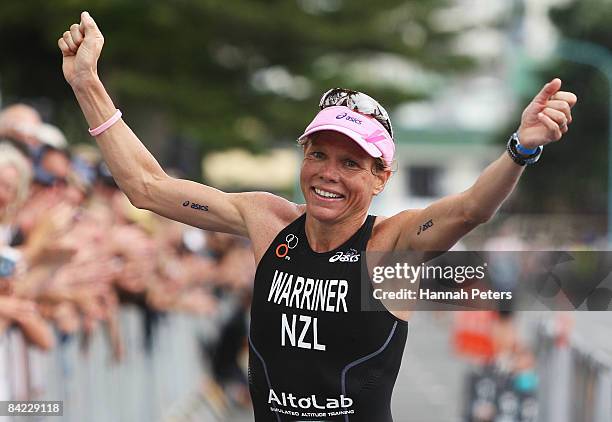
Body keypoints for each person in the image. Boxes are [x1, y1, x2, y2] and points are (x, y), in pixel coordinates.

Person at [58, 11, 577, 422]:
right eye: (318, 155)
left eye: (351, 162)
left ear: (381, 177)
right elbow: (147, 188)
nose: (329, 173)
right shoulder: (268, 221)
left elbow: (469, 209)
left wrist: (520, 149)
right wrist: (87, 85)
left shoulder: (390, 247)